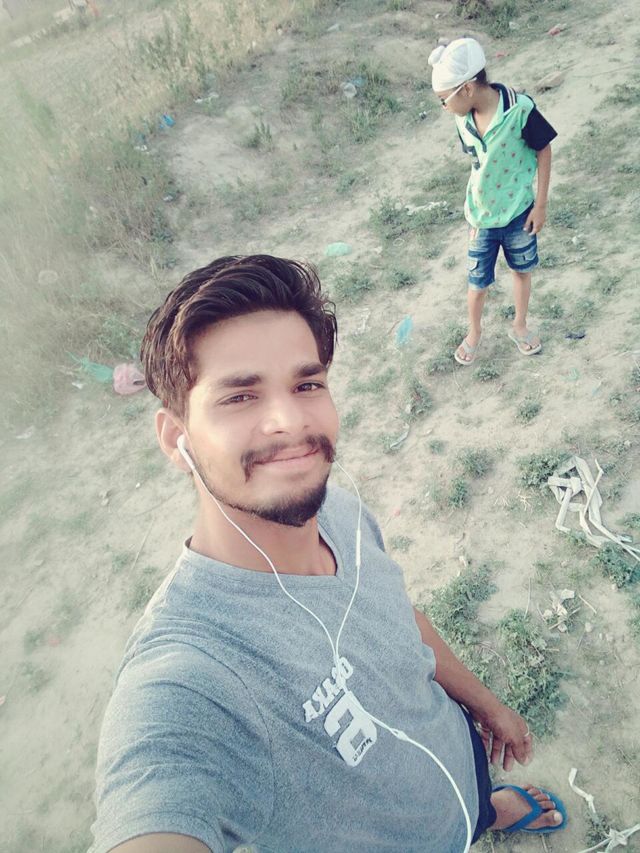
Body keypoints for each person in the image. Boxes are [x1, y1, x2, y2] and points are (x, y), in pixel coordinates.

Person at [90, 255, 567, 852]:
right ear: (175, 438)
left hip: (456, 759)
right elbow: (157, 797)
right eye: (240, 396)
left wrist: (485, 703)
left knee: (473, 803)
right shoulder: (191, 677)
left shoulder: (338, 510)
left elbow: (399, 618)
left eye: (307, 385)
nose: (289, 421)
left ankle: (483, 812)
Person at [429, 38, 557, 365]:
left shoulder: (519, 110)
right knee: (477, 282)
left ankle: (520, 325)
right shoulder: (463, 120)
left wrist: (540, 205)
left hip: (519, 215)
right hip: (480, 218)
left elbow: (543, 149)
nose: (444, 107)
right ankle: (474, 332)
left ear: (467, 88)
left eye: (444, 100)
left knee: (522, 271)